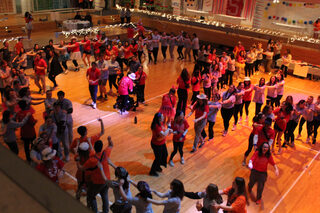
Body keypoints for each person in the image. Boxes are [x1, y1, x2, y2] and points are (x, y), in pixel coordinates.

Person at [81, 138, 113, 213]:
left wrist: (77, 163)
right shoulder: (105, 153)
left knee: (91, 196)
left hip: (97, 182)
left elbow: (82, 168)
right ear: (102, 147)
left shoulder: (92, 160)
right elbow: (111, 145)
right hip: (107, 180)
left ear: (95, 148)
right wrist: (109, 140)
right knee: (105, 196)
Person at [149, 112, 172, 176]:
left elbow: (164, 130)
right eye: (162, 117)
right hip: (156, 144)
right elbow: (164, 134)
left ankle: (157, 167)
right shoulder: (156, 126)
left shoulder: (160, 123)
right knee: (158, 158)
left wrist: (168, 127)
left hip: (161, 143)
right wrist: (169, 128)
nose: (163, 118)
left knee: (165, 154)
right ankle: (152, 171)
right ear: (158, 118)